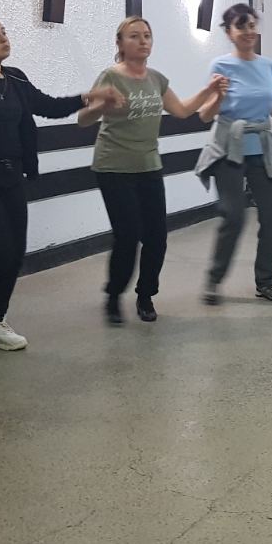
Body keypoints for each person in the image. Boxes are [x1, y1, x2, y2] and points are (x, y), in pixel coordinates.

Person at [0, 12, 123, 351]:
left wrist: (90, 97)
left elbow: (47, 106)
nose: (3, 38)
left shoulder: (15, 79)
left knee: (13, 253)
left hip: (9, 175)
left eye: (4, 31)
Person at [80, 17, 226, 325]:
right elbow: (84, 119)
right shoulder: (110, 76)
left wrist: (210, 90)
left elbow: (182, 110)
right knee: (127, 235)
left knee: (157, 237)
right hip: (113, 166)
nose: (143, 41)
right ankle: (113, 296)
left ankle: (145, 295)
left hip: (148, 165)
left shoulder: (156, 79)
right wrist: (101, 105)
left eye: (147, 35)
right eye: (134, 36)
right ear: (120, 43)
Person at [195, 3, 272, 305]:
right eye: (241, 26)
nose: (249, 31)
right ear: (229, 32)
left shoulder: (267, 66)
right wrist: (218, 96)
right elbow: (205, 115)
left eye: (252, 25)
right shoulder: (220, 66)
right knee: (233, 216)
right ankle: (214, 279)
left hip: (262, 149)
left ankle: (266, 282)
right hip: (229, 150)